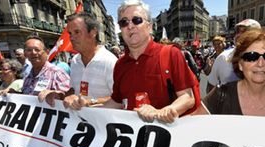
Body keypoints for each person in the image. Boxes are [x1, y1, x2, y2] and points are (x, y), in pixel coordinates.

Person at [70, 0, 198, 124]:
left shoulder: (171, 54)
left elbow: (187, 98)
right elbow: (116, 103)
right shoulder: (120, 64)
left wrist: (164, 111)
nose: (130, 26)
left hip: (166, 139)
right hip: (132, 141)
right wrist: (87, 107)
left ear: (149, 26)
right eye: (124, 22)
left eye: (137, 20)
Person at [39, 12, 117, 107]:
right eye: (70, 33)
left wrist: (88, 102)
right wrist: (58, 95)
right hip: (79, 121)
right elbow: (73, 91)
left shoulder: (110, 62)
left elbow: (120, 100)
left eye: (77, 32)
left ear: (93, 32)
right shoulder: (75, 60)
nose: (71, 38)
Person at [207, 19, 261, 89]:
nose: (239, 35)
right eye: (238, 31)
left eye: (245, 31)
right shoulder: (223, 58)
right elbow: (212, 85)